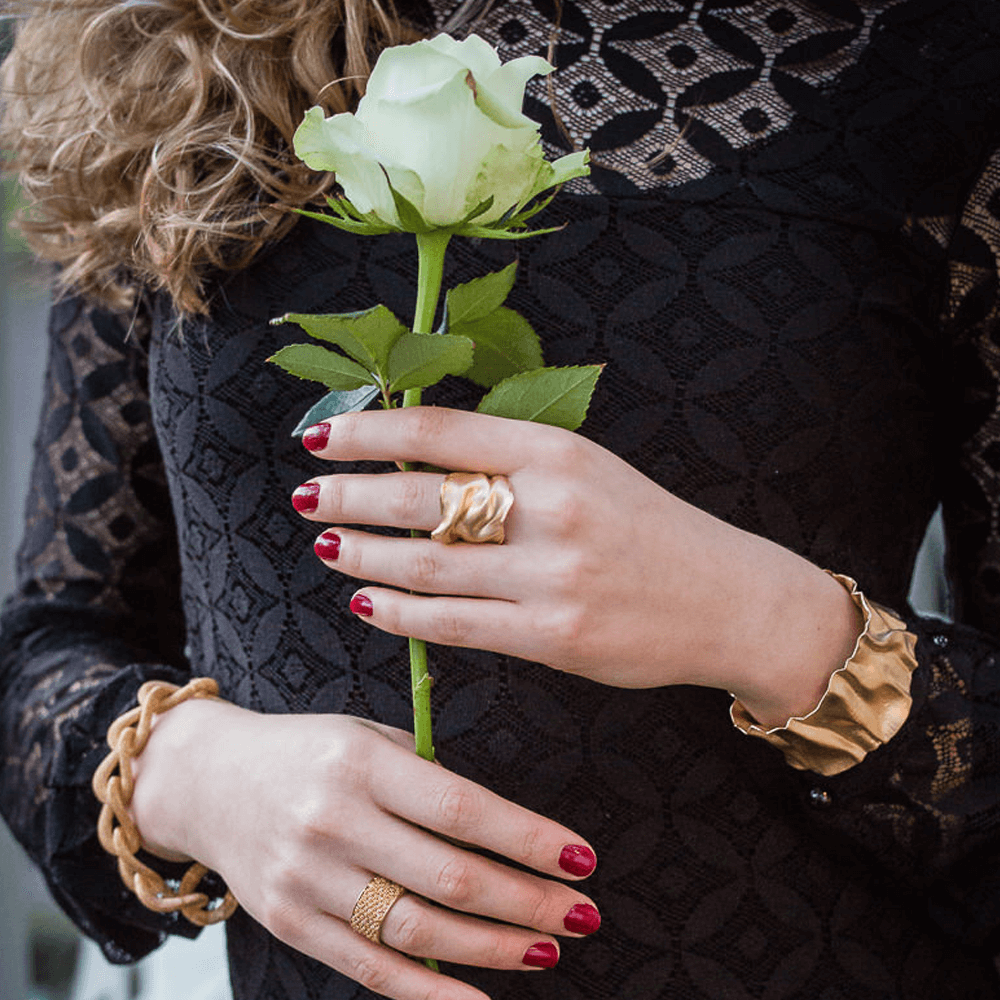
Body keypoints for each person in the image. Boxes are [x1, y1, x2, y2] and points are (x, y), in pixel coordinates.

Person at [1, 1, 999, 998]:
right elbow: (49, 643)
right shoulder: (163, 42)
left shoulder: (946, 66)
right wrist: (192, 774)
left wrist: (776, 630)